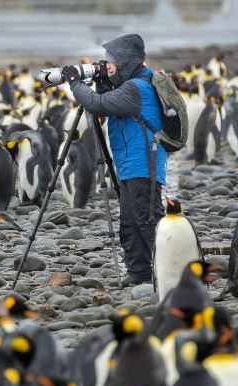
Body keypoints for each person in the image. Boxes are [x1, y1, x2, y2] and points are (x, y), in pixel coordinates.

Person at [62, 33, 167, 288]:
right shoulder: (131, 83)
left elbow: (98, 105)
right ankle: (139, 272)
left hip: (144, 163)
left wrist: (76, 83)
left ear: (125, 61)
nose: (107, 64)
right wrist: (101, 79)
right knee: (130, 222)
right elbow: (107, 100)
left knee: (147, 219)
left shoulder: (137, 88)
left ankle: (170, 270)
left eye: (112, 60)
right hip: (130, 164)